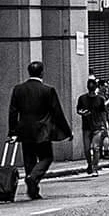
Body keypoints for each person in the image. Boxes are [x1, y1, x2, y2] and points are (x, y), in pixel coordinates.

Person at [6, 60, 73, 199]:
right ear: (42, 72)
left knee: (29, 159)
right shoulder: (48, 90)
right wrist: (67, 131)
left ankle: (33, 190)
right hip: (42, 130)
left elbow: (13, 112)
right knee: (47, 157)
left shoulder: (18, 89)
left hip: (24, 129)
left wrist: (12, 131)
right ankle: (33, 177)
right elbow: (57, 112)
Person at [76, 75, 108, 176]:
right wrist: (82, 113)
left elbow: (103, 113)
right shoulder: (82, 98)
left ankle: (95, 168)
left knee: (96, 147)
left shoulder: (100, 99)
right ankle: (90, 164)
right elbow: (78, 110)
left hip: (97, 127)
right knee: (86, 149)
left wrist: (105, 126)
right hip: (86, 127)